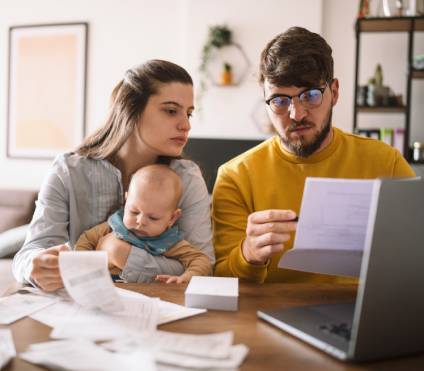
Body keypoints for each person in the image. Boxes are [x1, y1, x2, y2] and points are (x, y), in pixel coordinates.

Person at [212, 27, 415, 284]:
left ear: (335, 93)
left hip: (361, 314)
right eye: (279, 100)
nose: (296, 114)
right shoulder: (235, 176)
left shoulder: (387, 163)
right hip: (267, 317)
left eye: (310, 95)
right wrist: (248, 254)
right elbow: (221, 283)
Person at [13, 59, 214, 291]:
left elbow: (204, 265)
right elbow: (28, 253)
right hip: (78, 311)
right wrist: (34, 267)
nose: (185, 125)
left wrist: (122, 254)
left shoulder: (187, 177)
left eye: (188, 114)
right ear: (132, 110)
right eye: (171, 111)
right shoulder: (68, 171)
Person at [75, 164, 211, 284]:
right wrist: (81, 268)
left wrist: (186, 277)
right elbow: (86, 240)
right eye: (134, 212)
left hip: (146, 294)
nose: (140, 222)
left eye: (153, 218)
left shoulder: (169, 241)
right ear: (126, 200)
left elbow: (201, 260)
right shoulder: (114, 225)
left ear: (172, 218)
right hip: (104, 288)